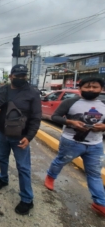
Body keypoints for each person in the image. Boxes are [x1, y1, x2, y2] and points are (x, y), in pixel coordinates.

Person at [44, 77, 105, 217]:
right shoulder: (70, 102)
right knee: (60, 161)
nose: (91, 89)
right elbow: (55, 117)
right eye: (87, 87)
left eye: (95, 87)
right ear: (80, 88)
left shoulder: (103, 104)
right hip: (71, 142)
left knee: (94, 174)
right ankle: (50, 177)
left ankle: (100, 203)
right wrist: (71, 122)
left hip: (95, 145)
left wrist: (103, 127)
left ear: (101, 89)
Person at [0, 64, 41, 215]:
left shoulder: (32, 93)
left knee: (23, 167)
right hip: (1, 133)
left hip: (21, 137)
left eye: (23, 76)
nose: (20, 78)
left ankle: (27, 199)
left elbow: (36, 117)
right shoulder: (1, 90)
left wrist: (29, 137)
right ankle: (3, 179)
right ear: (11, 76)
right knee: (2, 159)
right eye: (17, 76)